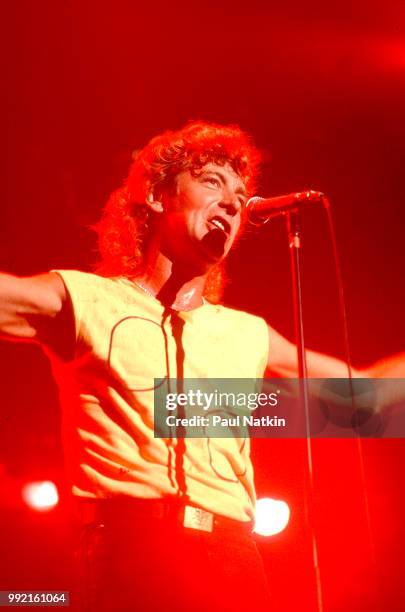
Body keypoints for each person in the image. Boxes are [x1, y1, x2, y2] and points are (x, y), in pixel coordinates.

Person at [0, 121, 403, 611]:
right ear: (154, 195)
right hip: (130, 556)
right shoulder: (85, 299)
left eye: (240, 194)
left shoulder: (246, 332)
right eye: (212, 181)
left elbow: (367, 394)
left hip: (233, 559)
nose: (234, 203)